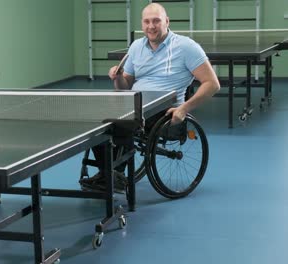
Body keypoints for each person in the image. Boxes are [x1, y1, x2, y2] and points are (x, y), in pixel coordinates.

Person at [79, 3, 220, 193]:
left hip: (164, 109)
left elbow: (212, 84)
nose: (151, 26)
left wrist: (184, 108)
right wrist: (118, 77)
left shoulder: (186, 47)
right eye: (147, 21)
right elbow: (124, 87)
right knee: (94, 118)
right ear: (142, 24)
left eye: (156, 21)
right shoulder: (137, 46)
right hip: (134, 103)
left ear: (167, 22)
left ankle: (112, 174)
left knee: (119, 123)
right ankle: (110, 173)